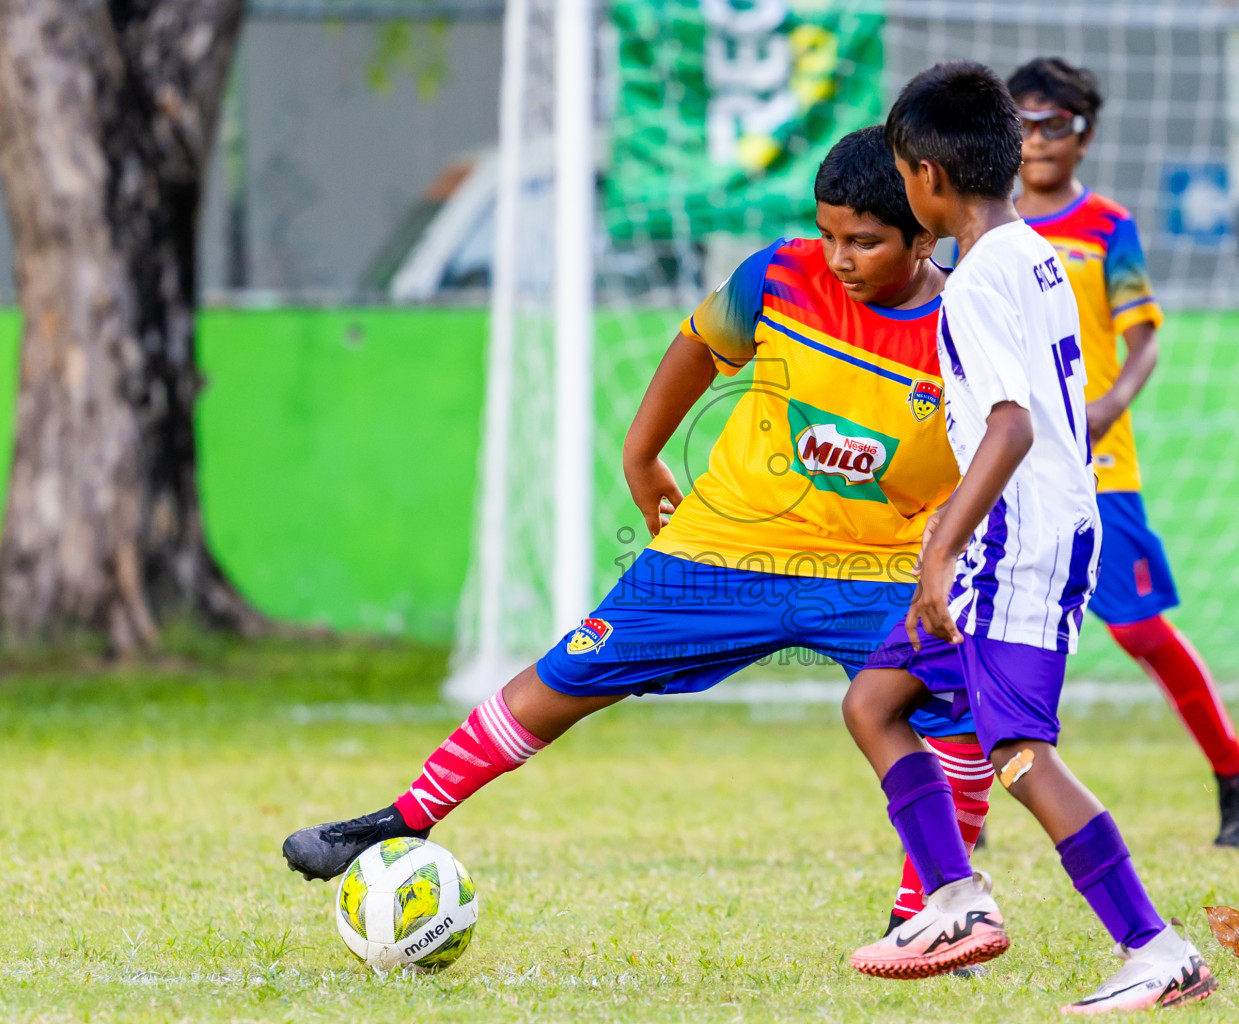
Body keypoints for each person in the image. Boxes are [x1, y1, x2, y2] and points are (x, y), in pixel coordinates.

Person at [280, 127, 998, 899]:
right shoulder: (780, 276)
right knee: (569, 673)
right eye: (827, 235)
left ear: (925, 235)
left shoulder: (970, 320)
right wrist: (640, 452)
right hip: (729, 540)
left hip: (881, 563)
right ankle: (404, 819)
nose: (838, 259)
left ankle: (930, 910)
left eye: (862, 242)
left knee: (952, 714)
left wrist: (950, 538)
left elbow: (1004, 438)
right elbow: (697, 345)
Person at [841, 62, 1216, 1013]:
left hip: (1020, 540)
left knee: (1017, 754)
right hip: (1028, 530)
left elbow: (1009, 424)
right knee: (876, 704)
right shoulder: (1034, 249)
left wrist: (939, 546)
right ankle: (957, 900)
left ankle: (1155, 947)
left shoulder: (973, 285)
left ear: (923, 177)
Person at [1000, 57, 1239, 848]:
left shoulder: (1107, 226)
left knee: (1140, 632)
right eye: (1025, 123)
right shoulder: (989, 224)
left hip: (1098, 467)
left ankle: (1238, 767)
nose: (1040, 139)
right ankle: (962, 810)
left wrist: (1110, 406)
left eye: (1058, 125)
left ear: (1084, 137)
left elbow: (1144, 335)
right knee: (968, 625)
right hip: (1000, 460)